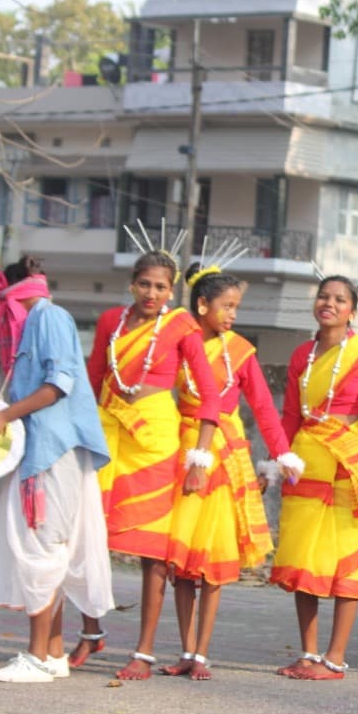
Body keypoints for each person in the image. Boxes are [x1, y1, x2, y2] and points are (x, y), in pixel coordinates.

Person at [79, 249, 222, 680]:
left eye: (161, 286)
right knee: (85, 536)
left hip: (156, 441)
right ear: (132, 284)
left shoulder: (181, 326)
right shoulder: (110, 322)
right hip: (107, 435)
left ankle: (143, 652)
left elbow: (209, 395)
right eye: (145, 284)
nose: (152, 293)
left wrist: (200, 457)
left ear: (172, 289)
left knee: (152, 554)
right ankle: (90, 631)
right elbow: (92, 380)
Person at [0, 257, 113, 682]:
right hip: (42, 450)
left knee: (41, 549)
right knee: (47, 548)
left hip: (54, 451)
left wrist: (5, 416)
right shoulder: (35, 321)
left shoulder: (48, 316)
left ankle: (36, 657)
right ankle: (53, 653)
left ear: (13, 291)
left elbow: (60, 384)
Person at [161, 264, 298, 680]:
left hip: (223, 459)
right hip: (181, 451)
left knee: (211, 560)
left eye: (236, 307)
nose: (232, 315)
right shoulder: (178, 344)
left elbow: (263, 408)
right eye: (226, 306)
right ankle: (185, 649)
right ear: (202, 305)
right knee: (180, 561)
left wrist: (282, 456)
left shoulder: (239, 350)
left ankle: (202, 654)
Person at [271, 274, 358, 681]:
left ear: (352, 311)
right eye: (324, 296)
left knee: (344, 561)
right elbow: (290, 414)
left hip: (348, 465)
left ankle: (335, 658)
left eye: (340, 299)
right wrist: (279, 457)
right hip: (306, 463)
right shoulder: (301, 354)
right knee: (304, 556)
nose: (330, 303)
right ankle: (308, 654)